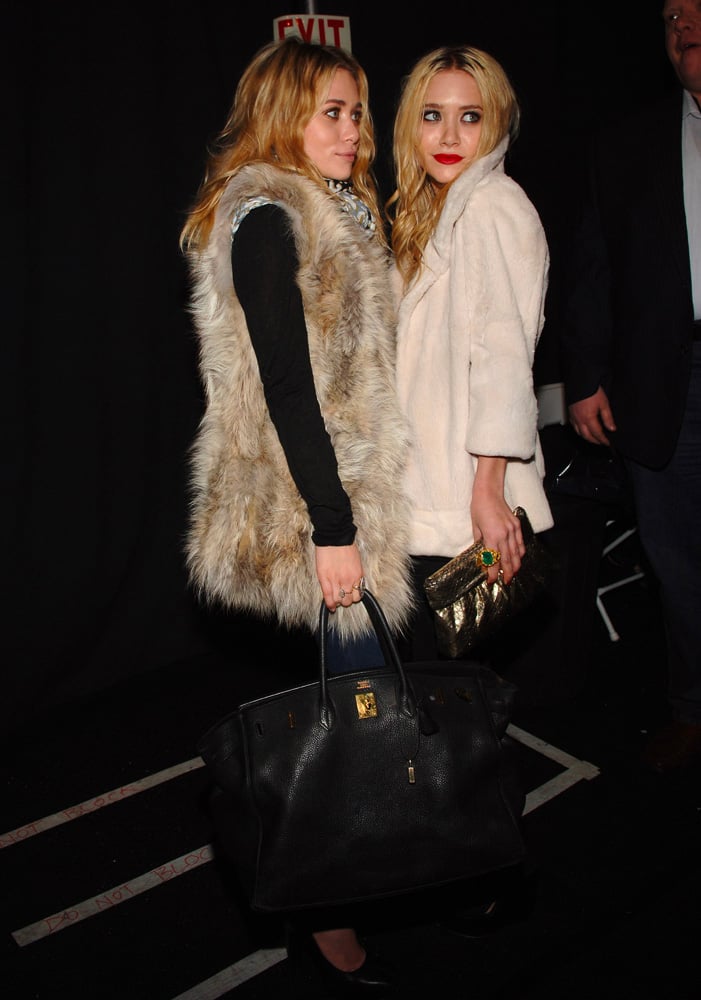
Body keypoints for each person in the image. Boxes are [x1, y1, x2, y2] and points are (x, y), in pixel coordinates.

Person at [179, 36, 413, 994]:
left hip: (357, 496)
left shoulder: (330, 209)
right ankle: (325, 908)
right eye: (332, 112)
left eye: (357, 112)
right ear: (284, 115)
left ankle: (402, 865)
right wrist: (333, 527)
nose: (353, 130)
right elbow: (286, 390)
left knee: (367, 710)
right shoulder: (272, 215)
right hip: (323, 505)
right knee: (349, 731)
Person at [385, 45, 554, 933]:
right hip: (428, 500)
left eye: (469, 116)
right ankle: (472, 855)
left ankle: (491, 863)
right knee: (443, 703)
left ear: (496, 123)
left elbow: (502, 357)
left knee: (452, 706)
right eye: (431, 114)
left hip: (463, 503)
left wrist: (490, 491)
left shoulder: (491, 207)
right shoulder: (433, 212)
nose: (449, 135)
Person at [560, 0, 701, 773]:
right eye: (670, 12)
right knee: (675, 560)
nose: (682, 21)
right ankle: (692, 708)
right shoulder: (624, 144)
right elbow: (592, 271)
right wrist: (584, 379)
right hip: (662, 389)